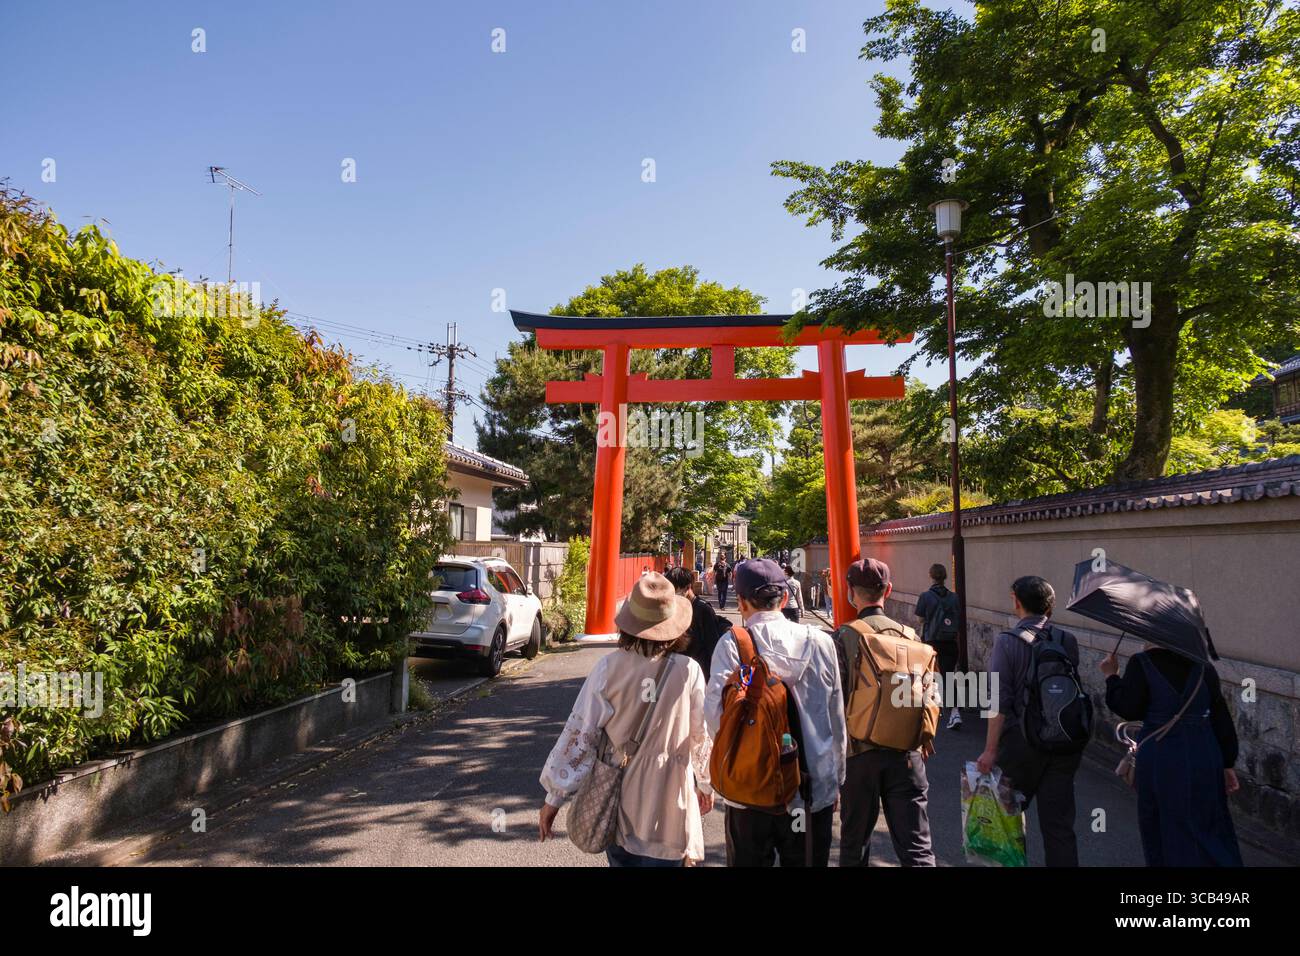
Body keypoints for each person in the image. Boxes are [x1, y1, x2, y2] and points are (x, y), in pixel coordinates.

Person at [538, 572, 713, 866]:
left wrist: (554, 798)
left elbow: (582, 733)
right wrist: (705, 784)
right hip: (670, 799)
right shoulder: (689, 671)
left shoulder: (609, 668)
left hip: (620, 794)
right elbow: (701, 735)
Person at [705, 558, 846, 867]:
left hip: (750, 788)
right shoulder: (822, 643)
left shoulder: (733, 645)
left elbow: (715, 716)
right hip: (810, 788)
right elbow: (836, 717)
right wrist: (836, 780)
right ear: (784, 599)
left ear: (741, 602)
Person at [834, 558, 938, 867]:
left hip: (859, 754)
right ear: (888, 590)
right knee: (917, 848)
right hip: (907, 752)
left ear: (850, 591)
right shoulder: (911, 637)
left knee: (855, 846)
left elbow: (834, 699)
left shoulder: (845, 636)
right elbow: (930, 694)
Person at [976, 576, 1084, 867]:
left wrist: (990, 749)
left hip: (1020, 746)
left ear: (1016, 601)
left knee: (1008, 821)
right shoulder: (1067, 641)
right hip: (1062, 743)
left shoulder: (1007, 642)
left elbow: (999, 700)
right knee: (1059, 828)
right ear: (1050, 605)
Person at [1102, 645, 1243, 866]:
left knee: (1161, 826)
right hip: (1204, 752)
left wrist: (1111, 676)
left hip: (1162, 755)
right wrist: (1227, 764)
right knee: (1209, 824)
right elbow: (1220, 717)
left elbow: (1129, 708)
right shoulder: (1204, 667)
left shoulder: (1142, 663)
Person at [915, 563, 963, 731]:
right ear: (945, 577)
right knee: (949, 676)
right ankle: (955, 712)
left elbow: (921, 619)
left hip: (932, 641)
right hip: (950, 641)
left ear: (931, 576)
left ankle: (932, 709)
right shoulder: (954, 597)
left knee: (931, 675)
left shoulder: (926, 596)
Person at [665, 565, 723, 681]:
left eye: (677, 590)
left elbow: (713, 644)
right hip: (676, 669)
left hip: (700, 672)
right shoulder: (673, 607)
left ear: (688, 587)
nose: (674, 595)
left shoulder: (703, 609)